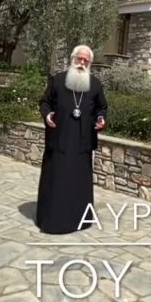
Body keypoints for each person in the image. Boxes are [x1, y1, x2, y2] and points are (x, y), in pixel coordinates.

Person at [35, 44, 108, 234]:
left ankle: (79, 220)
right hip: (59, 140)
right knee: (57, 181)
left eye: (86, 60)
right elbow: (44, 102)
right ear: (72, 59)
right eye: (79, 59)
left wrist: (101, 118)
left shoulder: (95, 84)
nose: (82, 63)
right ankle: (53, 219)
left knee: (78, 183)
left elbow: (102, 107)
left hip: (82, 144)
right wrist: (47, 115)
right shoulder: (58, 80)